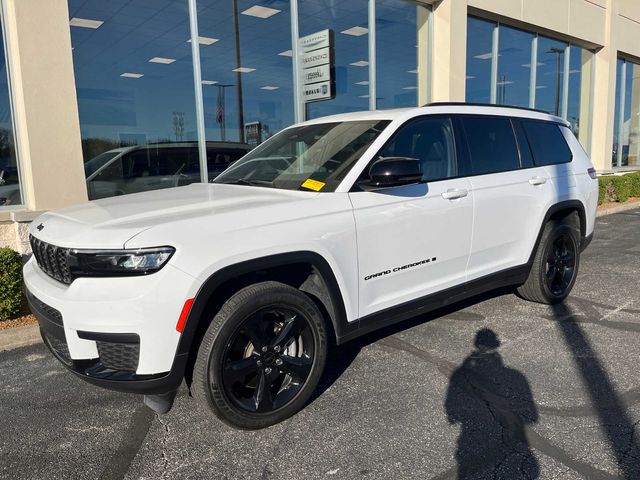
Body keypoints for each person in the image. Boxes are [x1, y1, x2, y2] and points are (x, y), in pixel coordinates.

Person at [445, 328, 539, 479]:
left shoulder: (463, 370)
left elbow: (452, 407)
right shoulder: (515, 375)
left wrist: (453, 415)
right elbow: (532, 417)